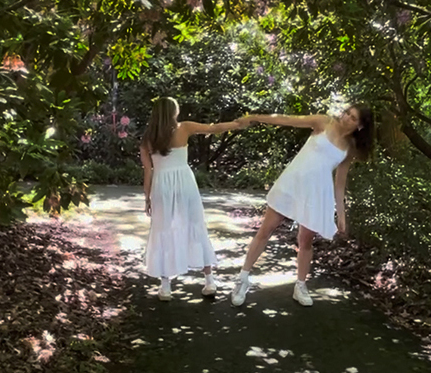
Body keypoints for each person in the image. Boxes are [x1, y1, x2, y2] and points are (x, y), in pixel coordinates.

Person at [231, 104, 374, 307]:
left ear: (360, 125)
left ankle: (300, 285)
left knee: (306, 241)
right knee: (266, 230)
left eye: (352, 118)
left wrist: (341, 215)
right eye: (346, 113)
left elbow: (340, 183)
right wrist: (253, 117)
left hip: (316, 194)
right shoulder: (323, 122)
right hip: (292, 183)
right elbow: (286, 119)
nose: (345, 118)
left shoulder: (349, 147)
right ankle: (242, 278)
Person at [140, 97, 244, 301]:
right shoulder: (184, 128)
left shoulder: (147, 139)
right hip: (185, 183)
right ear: (173, 112)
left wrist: (147, 197)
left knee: (162, 230)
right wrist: (237, 124)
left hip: (162, 185)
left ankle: (166, 286)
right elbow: (213, 128)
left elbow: (148, 172)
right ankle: (209, 280)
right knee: (195, 225)